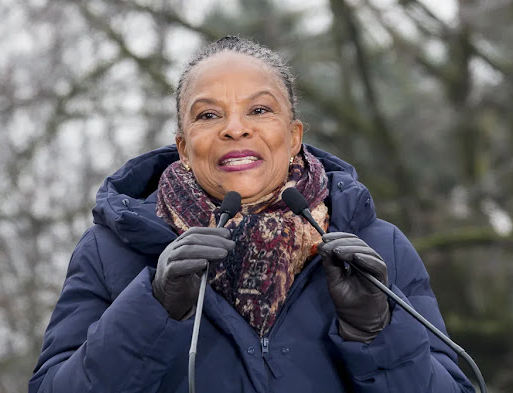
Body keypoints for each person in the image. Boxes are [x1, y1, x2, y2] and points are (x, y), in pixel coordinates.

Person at [29, 36, 475, 393]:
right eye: (208, 115)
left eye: (260, 110)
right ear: (183, 147)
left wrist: (375, 331)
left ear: (294, 135)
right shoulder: (110, 252)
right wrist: (153, 309)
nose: (235, 128)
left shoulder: (379, 245)